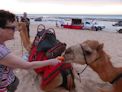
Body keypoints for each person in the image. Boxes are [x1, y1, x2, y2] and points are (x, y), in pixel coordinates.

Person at [0, 10, 61, 92]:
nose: (15, 30)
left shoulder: (2, 44)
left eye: (16, 27)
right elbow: (27, 66)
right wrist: (51, 62)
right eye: (12, 28)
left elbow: (8, 64)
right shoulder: (1, 51)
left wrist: (20, 61)